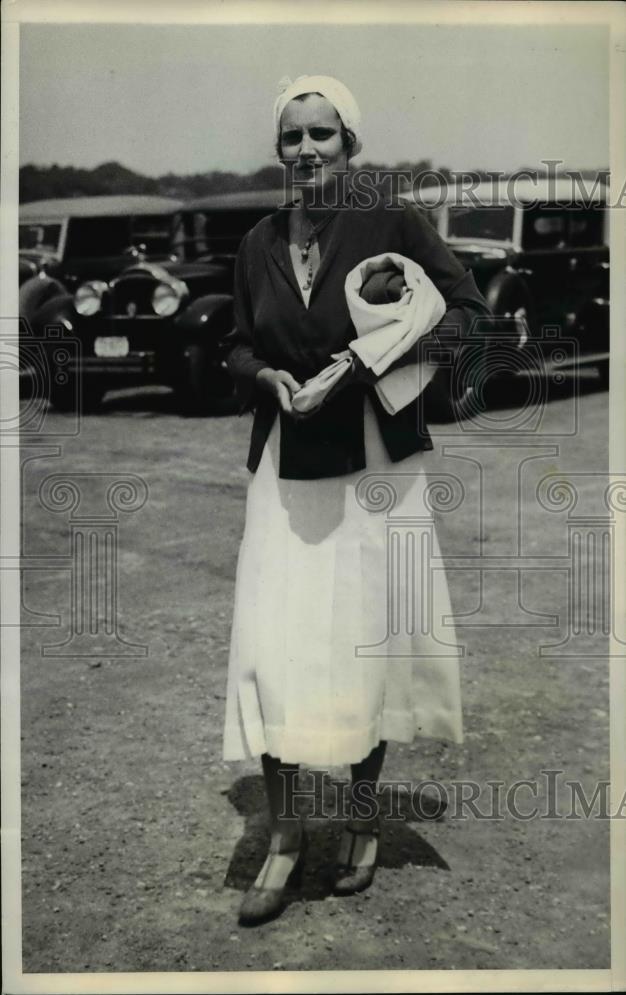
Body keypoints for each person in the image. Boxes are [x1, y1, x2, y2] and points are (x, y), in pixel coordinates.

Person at [221, 75, 490, 926]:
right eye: (292, 137)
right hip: (284, 470)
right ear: (279, 149)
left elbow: (467, 317)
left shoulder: (391, 223)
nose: (306, 151)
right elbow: (234, 340)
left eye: (323, 135)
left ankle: (363, 826)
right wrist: (262, 374)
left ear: (351, 146)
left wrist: (363, 364)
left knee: (360, 645)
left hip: (373, 468)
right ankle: (287, 840)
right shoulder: (257, 240)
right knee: (272, 648)